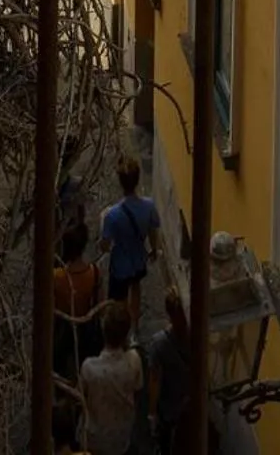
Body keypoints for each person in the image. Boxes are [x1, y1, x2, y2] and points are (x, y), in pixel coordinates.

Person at [98, 155, 159, 324]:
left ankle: (122, 329)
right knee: (136, 287)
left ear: (120, 182)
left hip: (120, 264)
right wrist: (153, 249)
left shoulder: (112, 215)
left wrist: (102, 225)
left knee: (119, 299)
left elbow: (105, 246)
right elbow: (153, 231)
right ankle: (134, 324)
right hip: (139, 258)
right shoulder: (149, 206)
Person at [79, 300, 143, 455]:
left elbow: (80, 398)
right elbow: (138, 389)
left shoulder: (88, 367)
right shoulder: (134, 360)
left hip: (94, 438)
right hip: (121, 437)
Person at [53, 219, 103, 384]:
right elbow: (100, 305)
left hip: (61, 327)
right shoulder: (94, 273)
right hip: (85, 328)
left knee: (58, 367)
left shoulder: (57, 277)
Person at [147, 287, 190, 454]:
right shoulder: (198, 334)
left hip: (169, 407)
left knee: (166, 442)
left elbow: (155, 381)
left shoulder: (159, 344)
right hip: (190, 400)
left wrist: (151, 413)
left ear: (168, 313)